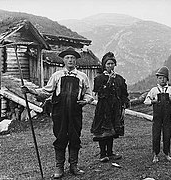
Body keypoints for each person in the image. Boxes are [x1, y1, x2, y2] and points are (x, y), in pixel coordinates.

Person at [21, 47, 94, 179]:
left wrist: (86, 101)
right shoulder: (56, 76)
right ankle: (59, 167)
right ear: (63, 60)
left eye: (73, 58)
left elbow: (89, 94)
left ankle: (74, 166)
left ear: (76, 61)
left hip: (75, 112)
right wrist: (31, 91)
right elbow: (46, 91)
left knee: (75, 137)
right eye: (67, 58)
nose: (70, 60)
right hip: (59, 111)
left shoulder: (82, 77)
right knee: (60, 137)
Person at [91, 52, 130, 162]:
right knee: (103, 131)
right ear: (104, 65)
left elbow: (123, 93)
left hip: (115, 108)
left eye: (112, 63)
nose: (110, 66)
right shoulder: (99, 78)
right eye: (108, 64)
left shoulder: (119, 79)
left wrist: (124, 104)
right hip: (103, 108)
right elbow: (100, 92)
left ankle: (110, 152)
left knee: (112, 130)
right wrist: (109, 81)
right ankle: (103, 154)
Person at [144, 66, 171, 163]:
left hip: (167, 117)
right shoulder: (154, 90)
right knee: (156, 135)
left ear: (167, 79)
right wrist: (154, 101)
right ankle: (155, 154)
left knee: (167, 134)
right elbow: (146, 101)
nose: (162, 80)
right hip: (157, 117)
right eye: (160, 78)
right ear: (157, 79)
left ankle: (167, 153)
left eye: (164, 78)